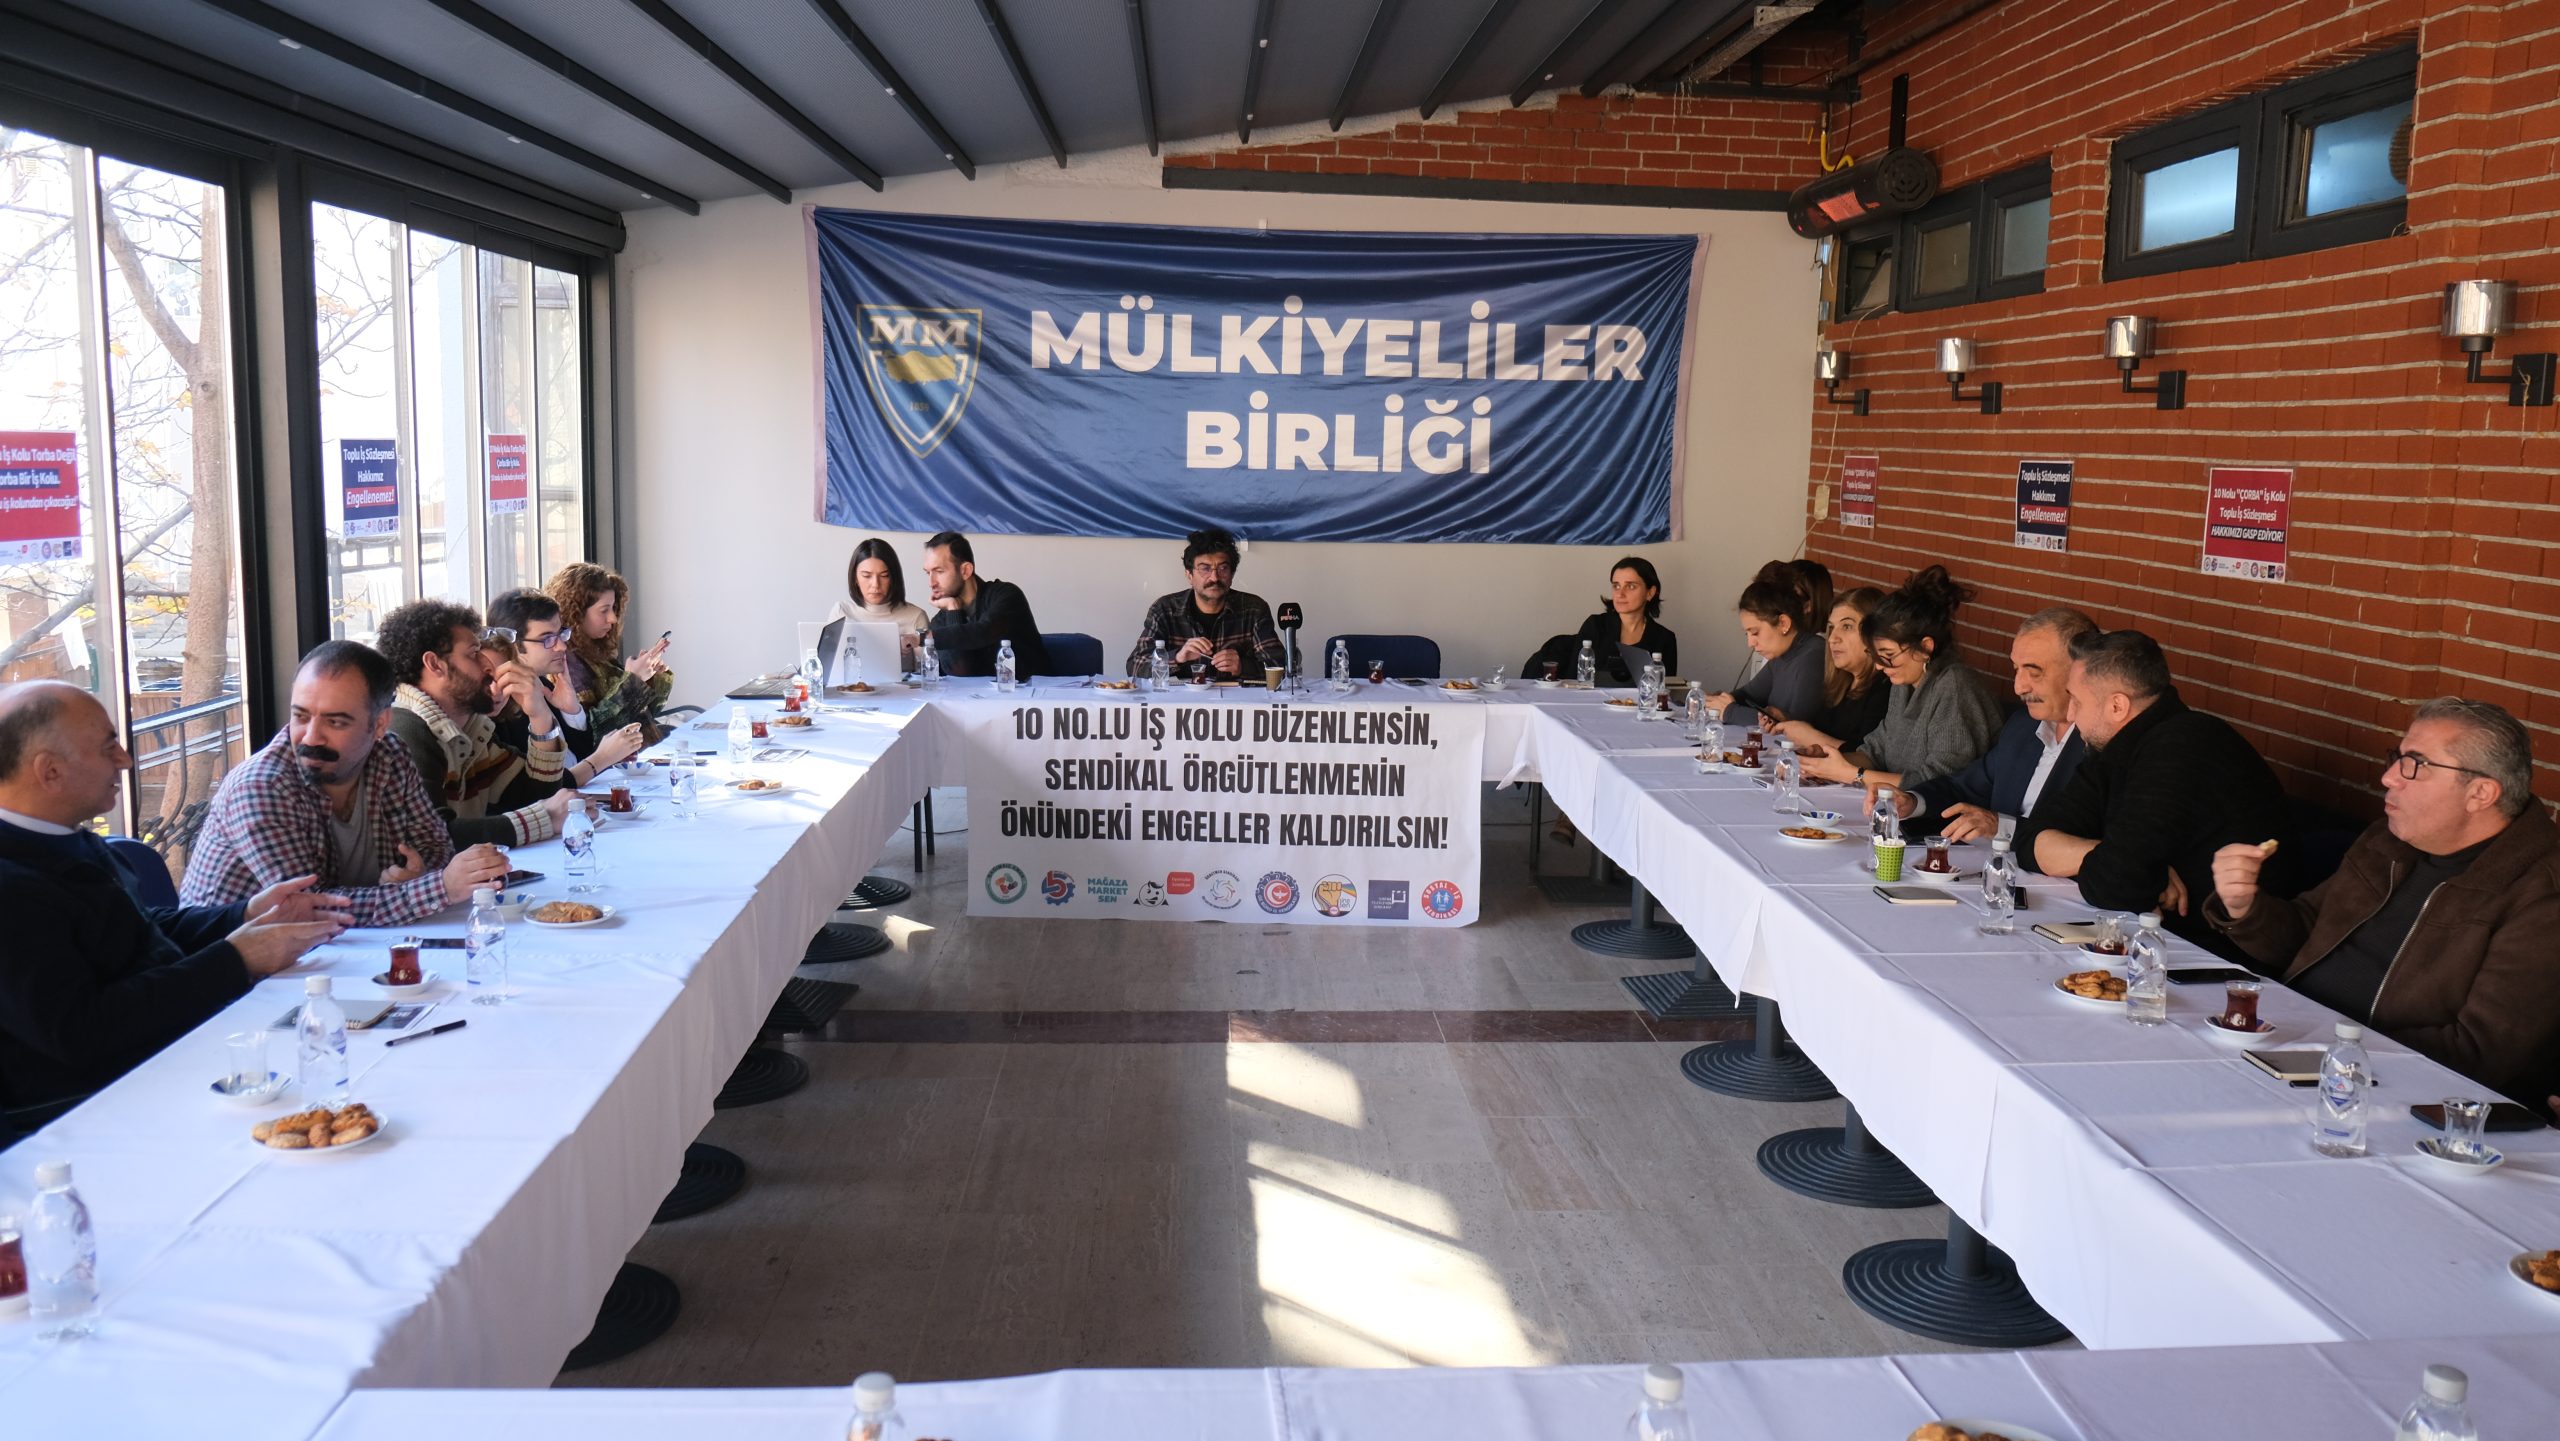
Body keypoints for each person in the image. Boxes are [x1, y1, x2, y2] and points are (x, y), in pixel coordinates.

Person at [1, 680, 351, 1109]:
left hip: (175, 1051)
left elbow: (140, 929)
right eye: (108, 748)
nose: (126, 760)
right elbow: (81, 1031)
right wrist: (236, 959)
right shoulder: (11, 885)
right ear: (49, 771)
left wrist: (245, 915)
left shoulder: (66, 837)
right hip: (96, 1104)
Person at [2206, 699, 2560, 1103]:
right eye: (2397, 758)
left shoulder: (2541, 896)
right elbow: (2305, 935)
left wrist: (2329, 1049)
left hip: (2389, 1093)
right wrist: (2244, 906)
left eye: (2415, 764)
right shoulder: (2389, 840)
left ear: (2480, 793)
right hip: (2288, 1044)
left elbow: (2480, 1052)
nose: (2389, 777)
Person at [181, 641, 515, 926]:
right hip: (236, 968)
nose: (311, 737)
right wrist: (436, 888)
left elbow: (435, 845)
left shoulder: (390, 755)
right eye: (300, 716)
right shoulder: (261, 788)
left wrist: (418, 875)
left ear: (380, 724)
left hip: (335, 951)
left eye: (336, 722)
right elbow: (309, 909)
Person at [2015, 629, 2292, 953]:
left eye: (2076, 700)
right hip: (2156, 939)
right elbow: (2029, 840)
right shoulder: (2114, 747)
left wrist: (2112, 865)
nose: (2071, 714)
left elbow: (2114, 885)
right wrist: (2102, 853)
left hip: (2220, 955)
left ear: (2117, 706)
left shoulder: (2183, 747)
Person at [1873, 606, 2097, 842]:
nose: (2019, 687)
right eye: (2016, 669)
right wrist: (1912, 801)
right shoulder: (2023, 727)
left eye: (2034, 673)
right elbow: (1963, 787)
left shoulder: (2100, 744)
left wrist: (2002, 827)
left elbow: (2085, 838)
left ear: (2079, 671)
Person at [377, 599, 586, 848]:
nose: (488, 666)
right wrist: (545, 819)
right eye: (474, 654)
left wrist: (540, 716)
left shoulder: (471, 731)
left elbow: (534, 796)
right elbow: (432, 836)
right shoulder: (405, 732)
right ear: (434, 664)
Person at [1795, 566, 2006, 791]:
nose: (1879, 666)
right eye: (1876, 656)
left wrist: (1852, 774)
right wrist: (1828, 762)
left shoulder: (1955, 686)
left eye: (1888, 655)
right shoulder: (1904, 682)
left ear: (1925, 648)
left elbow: (1940, 783)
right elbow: (1875, 751)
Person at [485, 587, 647, 773]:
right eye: (548, 639)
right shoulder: (498, 708)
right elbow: (547, 784)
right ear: (510, 644)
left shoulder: (545, 686)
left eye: (560, 634)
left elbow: (579, 760)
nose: (562, 646)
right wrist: (602, 758)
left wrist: (572, 712)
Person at [1126, 526, 1285, 679]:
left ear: (1232, 574)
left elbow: (1281, 666)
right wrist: (1177, 658)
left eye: (1222, 569)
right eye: (1205, 569)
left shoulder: (1254, 609)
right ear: (1189, 575)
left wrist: (1243, 667)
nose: (1214, 578)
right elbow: (1135, 666)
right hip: (1184, 698)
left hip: (1236, 698)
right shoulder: (1164, 609)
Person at [547, 562, 673, 742]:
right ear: (576, 613)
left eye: (613, 608)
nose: (613, 618)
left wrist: (650, 678)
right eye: (604, 610)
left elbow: (646, 713)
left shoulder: (594, 653)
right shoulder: (566, 665)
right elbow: (594, 735)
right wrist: (634, 681)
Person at [1697, 561, 1822, 725]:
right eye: (1747, 634)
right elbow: (1748, 695)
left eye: (1755, 632)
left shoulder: (1814, 656)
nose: (1750, 643)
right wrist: (1715, 702)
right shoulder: (1781, 654)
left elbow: (1795, 725)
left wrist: (1729, 711)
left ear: (1783, 623)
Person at [1768, 587, 1886, 755]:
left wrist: (1812, 737)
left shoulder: (1886, 689)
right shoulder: (1841, 683)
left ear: (1874, 632)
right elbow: (1821, 733)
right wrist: (1787, 721)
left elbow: (1869, 758)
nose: (1832, 639)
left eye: (1846, 626)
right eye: (1831, 628)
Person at [1525, 556, 1678, 686]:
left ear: (1650, 593)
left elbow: (1665, 692)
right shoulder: (1595, 625)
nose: (1620, 594)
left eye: (1631, 586)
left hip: (1641, 708)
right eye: (1616, 586)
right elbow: (1574, 679)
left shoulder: (1665, 638)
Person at [920, 531, 1052, 678]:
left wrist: (927, 636)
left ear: (965, 571)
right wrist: (953, 610)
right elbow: (962, 673)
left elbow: (985, 631)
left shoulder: (1006, 595)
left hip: (1033, 691)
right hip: (980, 694)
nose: (931, 583)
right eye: (928, 573)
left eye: (939, 571)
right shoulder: (939, 621)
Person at [829, 537, 935, 671]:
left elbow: (927, 670)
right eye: (866, 576)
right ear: (855, 578)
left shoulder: (915, 616)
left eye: (884, 576)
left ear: (893, 578)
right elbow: (829, 666)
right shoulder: (842, 612)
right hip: (852, 684)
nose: (875, 584)